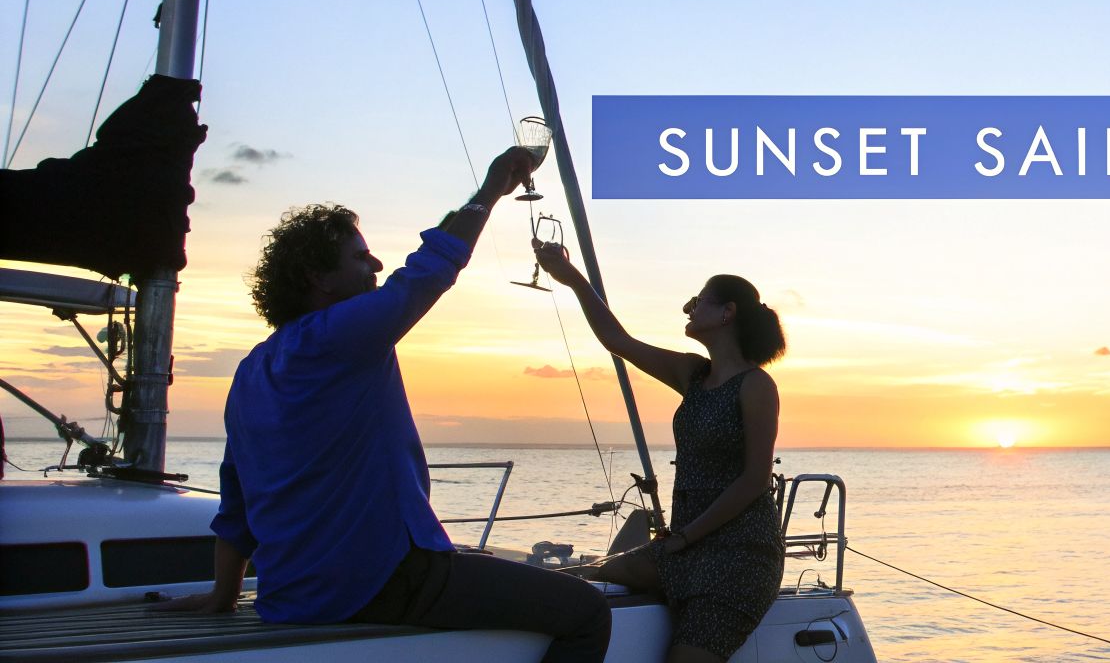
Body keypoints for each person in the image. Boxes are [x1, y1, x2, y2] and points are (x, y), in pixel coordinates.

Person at [159, 147, 612, 663]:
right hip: (379, 580)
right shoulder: (340, 338)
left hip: (290, 596)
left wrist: (224, 595)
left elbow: (236, 501)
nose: (376, 264)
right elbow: (428, 270)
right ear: (318, 277)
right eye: (360, 256)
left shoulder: (252, 370)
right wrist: (490, 192)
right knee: (587, 613)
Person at [534, 241, 785, 663]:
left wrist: (685, 536)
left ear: (728, 313)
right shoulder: (692, 373)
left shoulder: (756, 387)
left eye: (698, 300)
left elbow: (755, 480)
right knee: (589, 577)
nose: (688, 308)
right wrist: (572, 277)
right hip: (686, 548)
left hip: (740, 557)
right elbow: (617, 340)